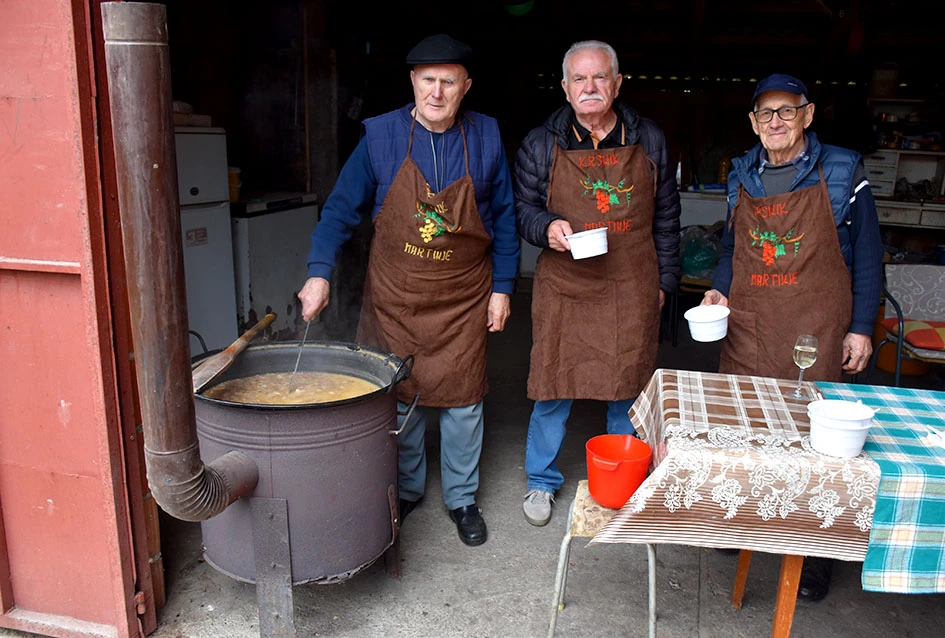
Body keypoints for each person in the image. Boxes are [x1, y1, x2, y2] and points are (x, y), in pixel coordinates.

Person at [297, 34, 520, 547]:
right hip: (395, 297)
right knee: (401, 397)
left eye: (448, 82)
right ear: (413, 82)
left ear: (466, 87)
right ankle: (410, 488)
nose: (436, 93)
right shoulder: (380, 136)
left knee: (463, 402)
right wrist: (319, 272)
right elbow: (339, 210)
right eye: (428, 81)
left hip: (463, 296)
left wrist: (503, 288)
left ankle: (462, 498)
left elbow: (506, 220)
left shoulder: (486, 136)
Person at [700, 73, 884, 601]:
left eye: (787, 110)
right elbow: (732, 248)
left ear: (808, 115)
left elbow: (868, 255)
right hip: (751, 321)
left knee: (820, 442)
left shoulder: (843, 169)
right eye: (766, 113)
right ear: (753, 122)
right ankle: (739, 519)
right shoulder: (743, 173)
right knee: (743, 424)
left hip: (815, 327)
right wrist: (718, 290)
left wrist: (861, 328)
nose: (776, 121)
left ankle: (814, 553)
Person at [514, 40, 681, 527]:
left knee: (625, 385)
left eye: (600, 77)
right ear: (565, 88)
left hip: (630, 283)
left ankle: (619, 482)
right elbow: (521, 209)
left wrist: (665, 281)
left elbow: (667, 216)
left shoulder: (648, 138)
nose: (590, 87)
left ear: (617, 83)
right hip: (565, 285)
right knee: (553, 383)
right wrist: (546, 227)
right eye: (579, 79)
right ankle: (541, 480)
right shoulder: (541, 143)